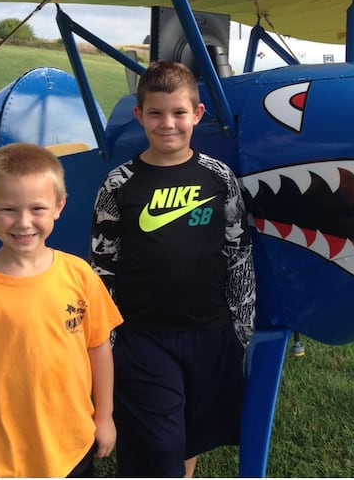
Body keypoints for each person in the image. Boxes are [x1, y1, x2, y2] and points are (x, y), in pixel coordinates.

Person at [90, 60, 255, 478]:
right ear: (139, 115)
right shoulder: (118, 185)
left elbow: (239, 251)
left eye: (179, 113)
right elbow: (102, 267)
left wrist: (242, 328)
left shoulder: (219, 178)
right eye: (156, 113)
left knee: (190, 437)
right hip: (143, 337)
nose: (168, 124)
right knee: (159, 445)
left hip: (210, 332)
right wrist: (106, 340)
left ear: (197, 116)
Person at [0, 142, 123, 478]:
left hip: (74, 447)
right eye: (9, 210)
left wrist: (104, 416)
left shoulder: (79, 275)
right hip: (7, 463)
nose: (24, 222)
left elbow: (99, 347)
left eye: (38, 208)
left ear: (60, 206)